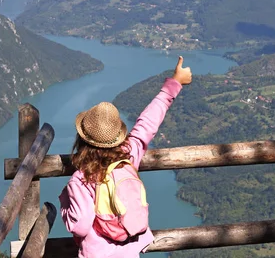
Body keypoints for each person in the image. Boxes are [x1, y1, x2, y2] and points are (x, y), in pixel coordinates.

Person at [59, 56, 192, 258]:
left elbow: (80, 226)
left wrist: (65, 204)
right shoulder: (128, 156)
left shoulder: (82, 179)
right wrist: (174, 83)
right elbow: (147, 123)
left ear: (82, 140)